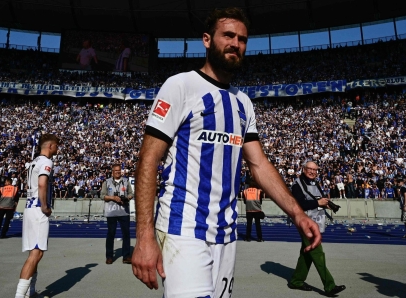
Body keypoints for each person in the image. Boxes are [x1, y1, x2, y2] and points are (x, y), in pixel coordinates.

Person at [131, 7, 321, 297]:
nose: (235, 43)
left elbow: (259, 164)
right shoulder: (180, 86)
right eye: (228, 35)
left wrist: (297, 213)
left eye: (242, 39)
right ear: (207, 40)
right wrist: (144, 235)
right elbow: (148, 159)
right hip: (183, 230)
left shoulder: (243, 103)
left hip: (226, 235)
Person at [288, 161, 346, 296]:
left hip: (316, 222)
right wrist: (317, 202)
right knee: (317, 253)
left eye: (315, 170)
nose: (312, 172)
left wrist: (326, 204)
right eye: (310, 169)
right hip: (306, 223)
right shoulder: (297, 184)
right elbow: (299, 204)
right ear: (303, 169)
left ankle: (296, 281)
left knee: (307, 254)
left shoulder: (315, 183)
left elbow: (317, 200)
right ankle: (329, 286)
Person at [15, 134, 59, 298]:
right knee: (37, 253)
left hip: (29, 207)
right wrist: (45, 206)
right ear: (50, 146)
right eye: (56, 146)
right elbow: (42, 183)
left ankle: (30, 293)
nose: (57, 149)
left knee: (34, 252)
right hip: (37, 208)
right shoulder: (46, 162)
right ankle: (20, 295)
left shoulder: (33, 162)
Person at [101, 164, 134, 265]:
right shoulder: (106, 182)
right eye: (116, 171)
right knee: (111, 234)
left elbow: (131, 193)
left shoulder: (126, 181)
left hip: (124, 211)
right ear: (112, 172)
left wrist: (127, 198)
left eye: (119, 171)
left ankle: (126, 256)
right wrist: (113, 198)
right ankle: (109, 256)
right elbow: (102, 196)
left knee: (126, 234)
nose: (118, 172)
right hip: (111, 212)